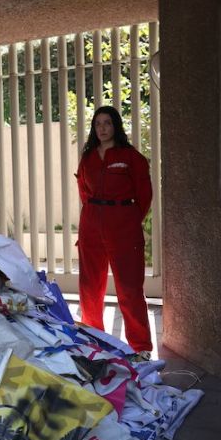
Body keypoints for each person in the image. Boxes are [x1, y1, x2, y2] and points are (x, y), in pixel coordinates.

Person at [76, 106, 153, 360]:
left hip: (123, 227)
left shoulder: (130, 157)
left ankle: (140, 348)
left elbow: (144, 195)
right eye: (98, 124)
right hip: (91, 228)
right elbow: (84, 193)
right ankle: (93, 339)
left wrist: (128, 220)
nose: (102, 128)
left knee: (129, 289)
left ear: (116, 126)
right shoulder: (87, 158)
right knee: (89, 287)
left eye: (107, 123)